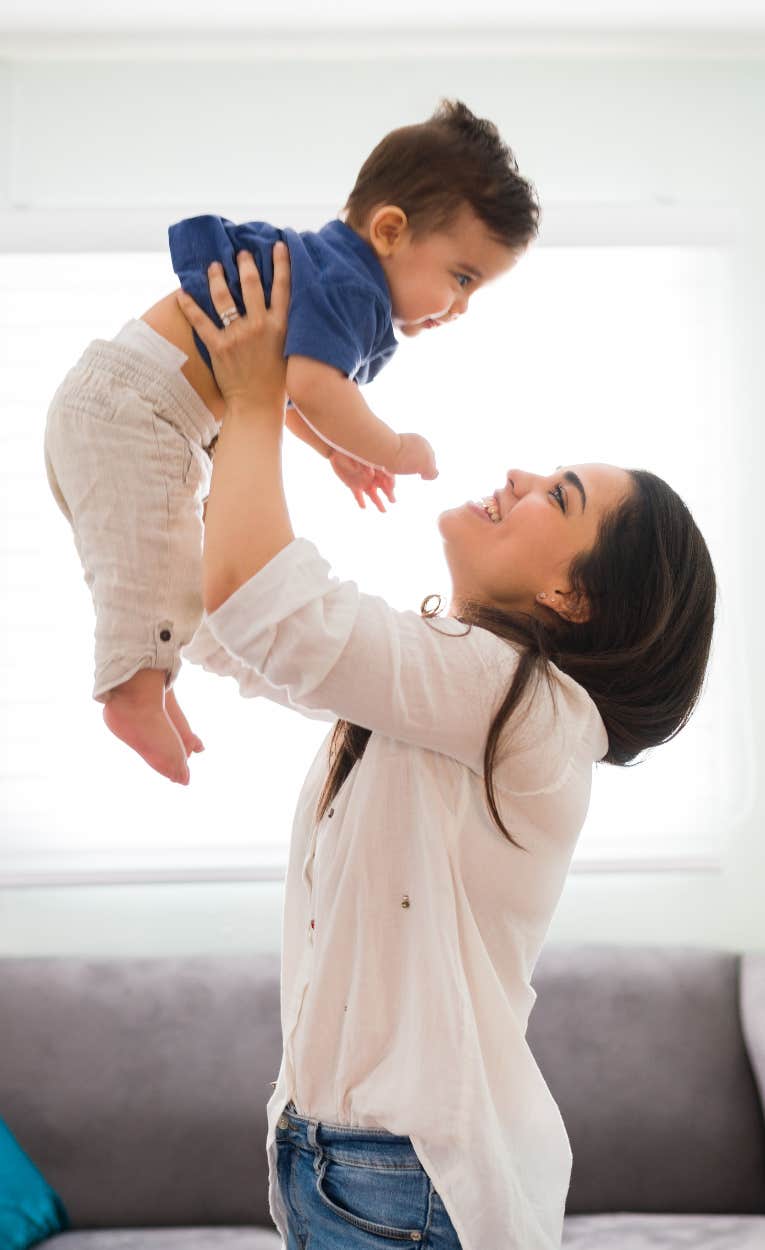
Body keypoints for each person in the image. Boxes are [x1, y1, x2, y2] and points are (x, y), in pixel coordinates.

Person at [177, 245, 716, 1250]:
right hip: (336, 1160)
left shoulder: (527, 705)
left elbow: (264, 609)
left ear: (572, 596)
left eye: (557, 496)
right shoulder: (450, 689)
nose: (517, 474)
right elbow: (220, 622)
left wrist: (261, 399)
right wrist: (190, 422)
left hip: (399, 1177)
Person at [42, 100, 537, 788]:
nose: (459, 308)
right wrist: (391, 447)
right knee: (147, 555)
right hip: (141, 413)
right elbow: (311, 383)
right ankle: (130, 691)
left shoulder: (328, 273)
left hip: (124, 406)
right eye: (460, 278)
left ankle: (152, 680)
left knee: (164, 562)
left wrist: (333, 452)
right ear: (390, 230)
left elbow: (283, 387)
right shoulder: (353, 291)